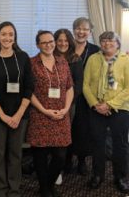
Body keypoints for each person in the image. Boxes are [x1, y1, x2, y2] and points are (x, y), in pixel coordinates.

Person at [0, 22, 33, 197]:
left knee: (15, 153)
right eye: (4, 34)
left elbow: (29, 87)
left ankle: (14, 189)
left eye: (11, 34)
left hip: (20, 113)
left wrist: (18, 114)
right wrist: (3, 116)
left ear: (15, 36)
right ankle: (0, 189)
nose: (7, 38)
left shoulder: (23, 57)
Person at [27, 30, 73, 197]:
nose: (49, 45)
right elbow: (28, 91)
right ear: (38, 45)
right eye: (44, 42)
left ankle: (48, 184)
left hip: (61, 114)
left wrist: (66, 109)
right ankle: (45, 189)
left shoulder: (63, 62)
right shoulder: (31, 63)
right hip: (40, 114)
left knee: (60, 156)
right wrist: (44, 110)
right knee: (40, 155)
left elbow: (69, 88)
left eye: (51, 41)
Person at [83, 31, 129, 193]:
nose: (106, 43)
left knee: (120, 145)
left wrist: (109, 105)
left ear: (117, 43)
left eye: (110, 40)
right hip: (96, 109)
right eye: (103, 40)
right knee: (97, 144)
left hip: (120, 109)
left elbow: (128, 88)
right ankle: (97, 175)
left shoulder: (126, 60)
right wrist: (96, 105)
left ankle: (121, 177)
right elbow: (86, 85)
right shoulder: (93, 59)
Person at [53, 28, 83, 182]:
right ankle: (50, 166)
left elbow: (78, 85)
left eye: (65, 40)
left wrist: (66, 104)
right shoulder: (49, 57)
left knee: (64, 135)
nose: (63, 43)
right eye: (59, 40)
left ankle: (64, 165)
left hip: (68, 105)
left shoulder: (75, 59)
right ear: (55, 41)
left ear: (70, 42)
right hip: (49, 104)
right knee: (50, 135)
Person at [70, 17, 99, 175]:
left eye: (85, 29)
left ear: (90, 32)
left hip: (86, 96)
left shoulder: (95, 50)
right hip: (67, 94)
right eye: (78, 28)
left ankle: (81, 161)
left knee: (82, 129)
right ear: (73, 30)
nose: (81, 32)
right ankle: (66, 160)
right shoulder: (65, 46)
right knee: (66, 128)